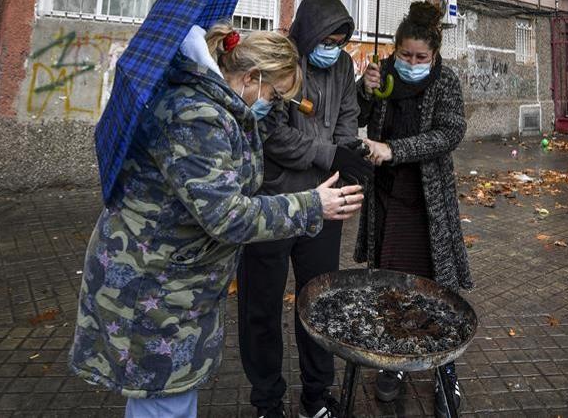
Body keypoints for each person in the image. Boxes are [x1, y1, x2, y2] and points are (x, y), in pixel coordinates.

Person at [69, 23, 364, 418]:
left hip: (174, 284)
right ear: (251, 78)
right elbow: (227, 214)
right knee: (163, 403)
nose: (273, 106)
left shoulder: (218, 107)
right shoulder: (198, 117)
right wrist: (312, 205)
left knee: (167, 397)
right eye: (274, 95)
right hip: (152, 286)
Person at [238, 0, 372, 418]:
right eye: (326, 42)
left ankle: (316, 394)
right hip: (275, 202)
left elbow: (348, 115)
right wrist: (328, 153)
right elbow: (274, 135)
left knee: (319, 301)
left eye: (339, 43)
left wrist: (349, 153)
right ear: (307, 34)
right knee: (261, 305)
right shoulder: (281, 66)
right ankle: (267, 400)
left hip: (325, 203)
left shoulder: (344, 66)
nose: (333, 51)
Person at [355, 1, 471, 417]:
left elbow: (450, 132)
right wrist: (364, 91)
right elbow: (363, 117)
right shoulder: (382, 74)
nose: (413, 62)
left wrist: (395, 149)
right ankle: (396, 362)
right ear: (395, 48)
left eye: (422, 57)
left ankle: (444, 372)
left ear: (435, 55)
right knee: (389, 280)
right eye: (406, 55)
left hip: (427, 200)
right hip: (386, 195)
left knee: (434, 286)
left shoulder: (446, 83)